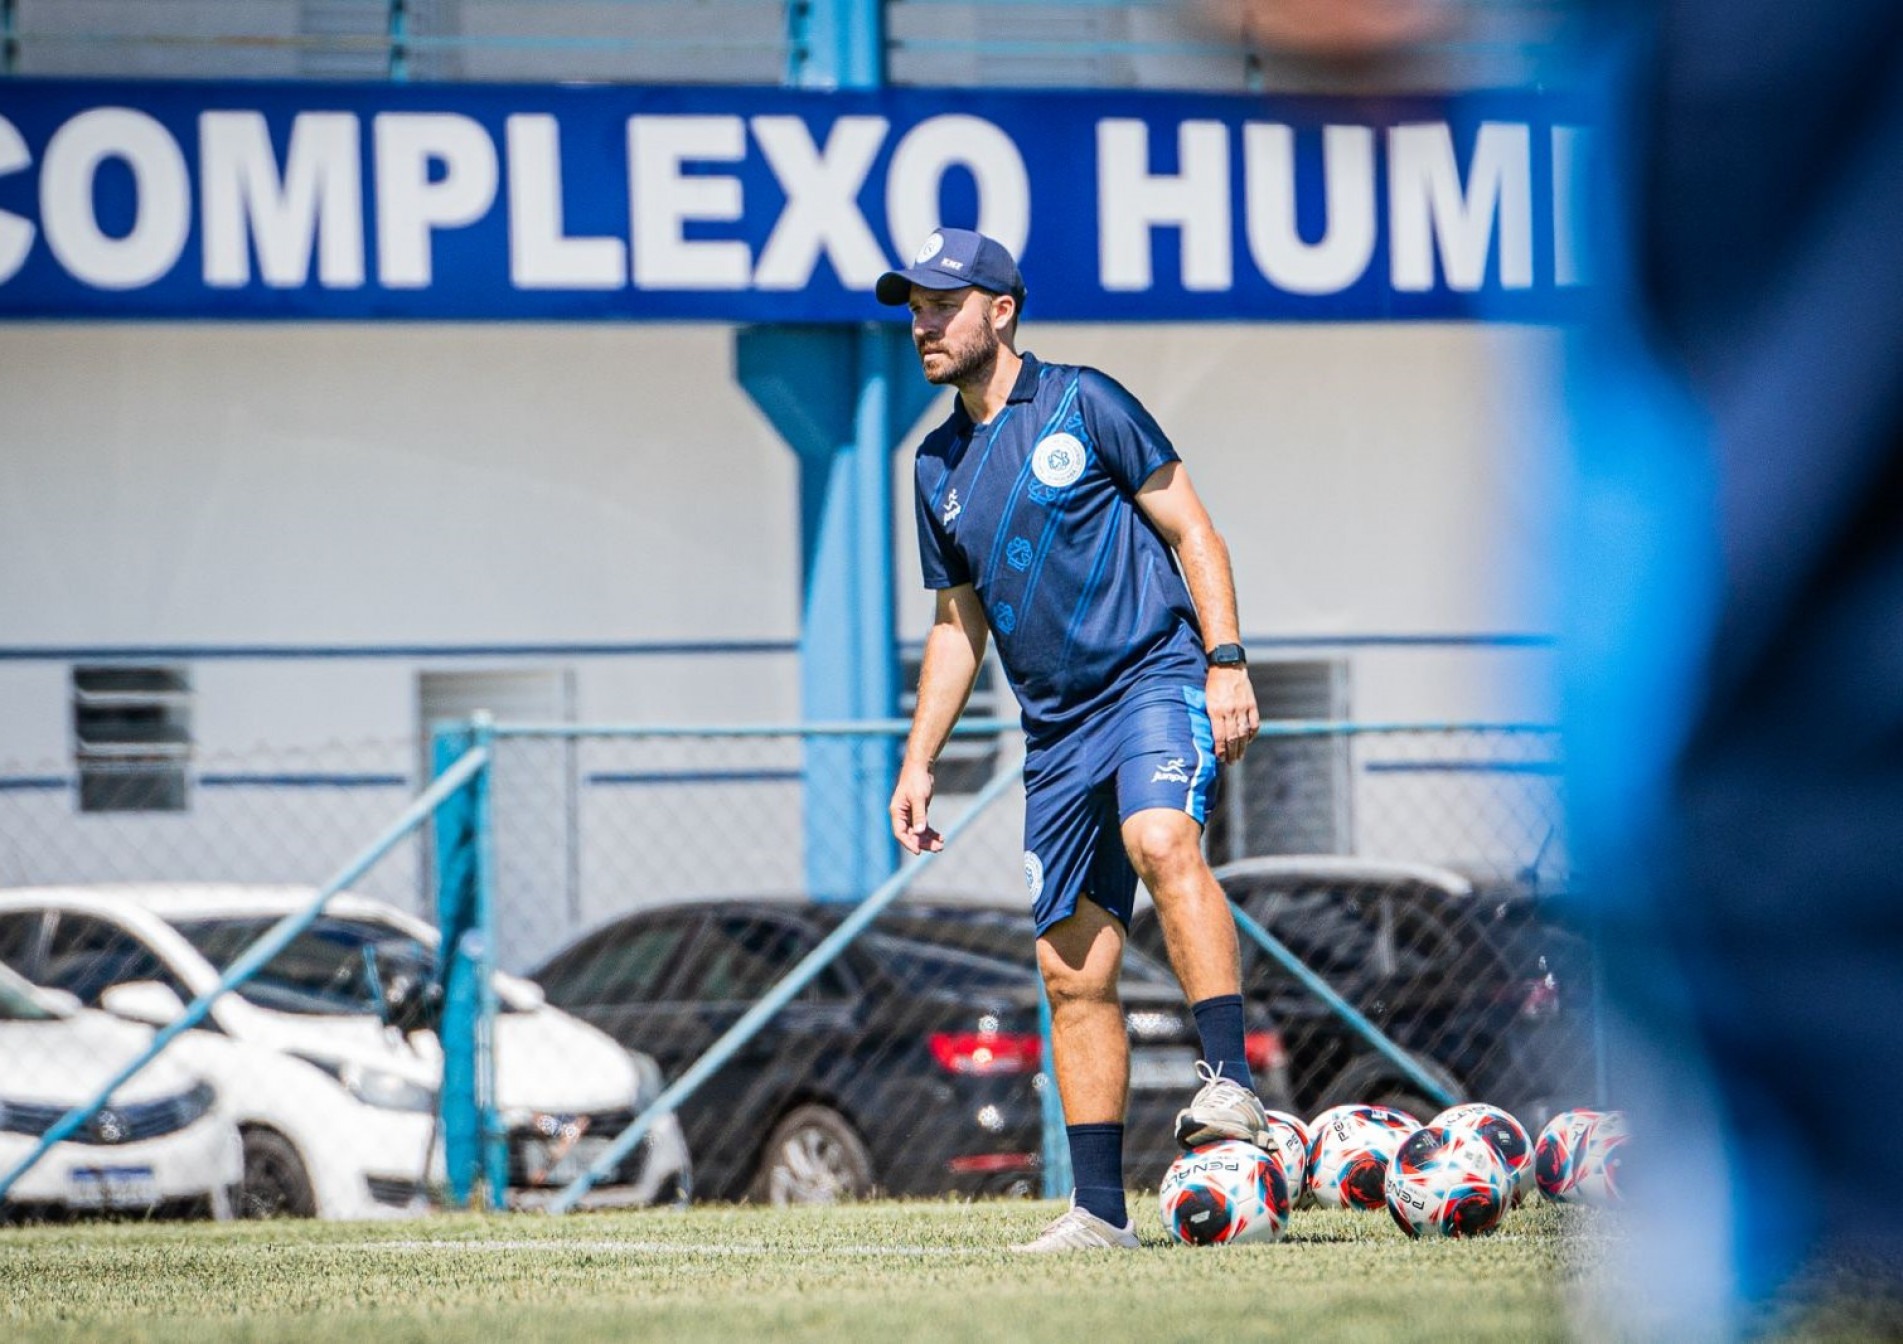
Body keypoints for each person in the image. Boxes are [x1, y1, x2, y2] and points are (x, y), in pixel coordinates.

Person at [876, 228, 1268, 1253]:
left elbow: (1193, 528)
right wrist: (918, 760)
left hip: (1154, 677)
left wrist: (1224, 659)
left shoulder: (1084, 402)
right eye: (912, 305)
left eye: (942, 304)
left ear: (1000, 309)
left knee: (1160, 839)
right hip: (1053, 734)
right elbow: (958, 625)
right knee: (1070, 970)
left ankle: (1228, 1085)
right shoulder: (934, 466)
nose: (922, 322)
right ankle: (1100, 1214)